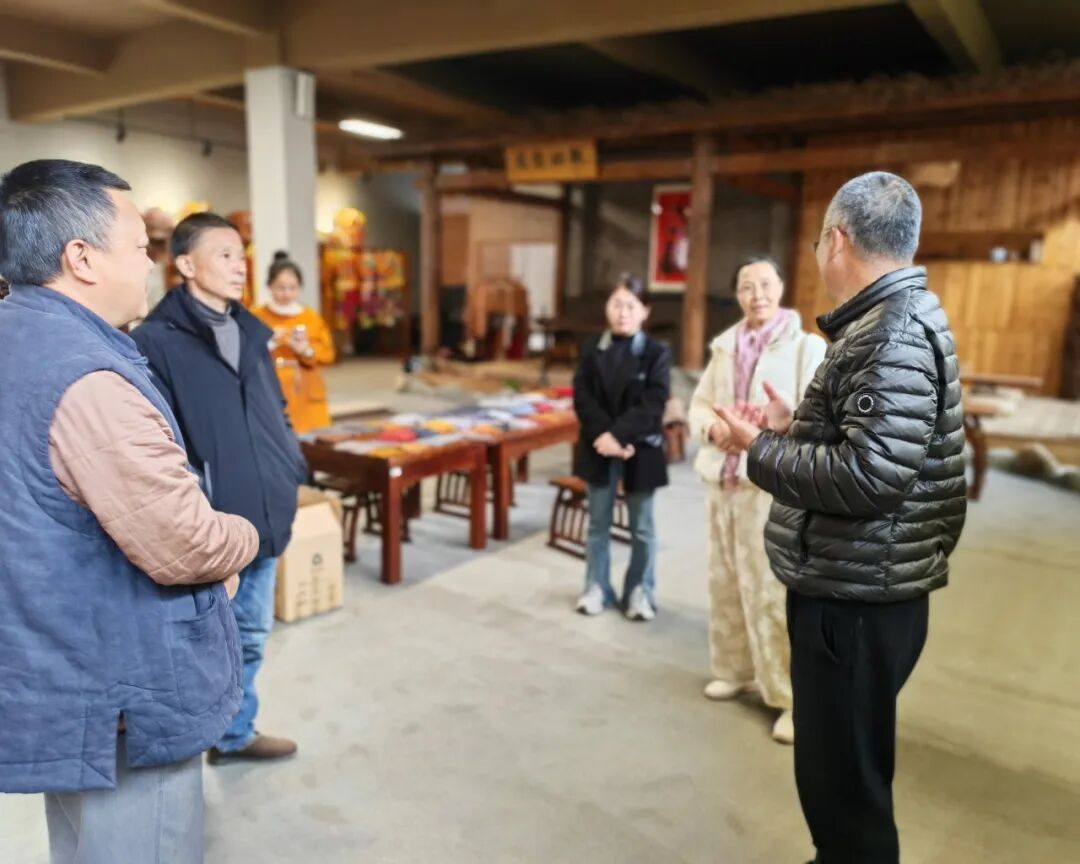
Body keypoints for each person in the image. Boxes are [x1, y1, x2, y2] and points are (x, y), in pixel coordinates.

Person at [0, 159, 259, 862]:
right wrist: (243, 535)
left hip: (60, 674)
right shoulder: (86, 378)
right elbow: (184, 543)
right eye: (140, 246)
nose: (150, 264)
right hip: (122, 687)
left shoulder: (19, 333)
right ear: (81, 258)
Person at [716, 172, 967, 864]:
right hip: (863, 580)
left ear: (837, 240)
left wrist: (757, 446)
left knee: (845, 787)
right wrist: (792, 427)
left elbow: (870, 476)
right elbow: (875, 450)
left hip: (856, 600)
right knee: (841, 774)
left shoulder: (890, 334)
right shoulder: (892, 319)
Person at [133, 212, 308, 765]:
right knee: (204, 643)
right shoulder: (154, 341)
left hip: (266, 508)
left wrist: (290, 464)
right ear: (186, 265)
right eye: (225, 255)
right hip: (211, 525)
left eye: (241, 255)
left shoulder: (252, 332)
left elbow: (276, 410)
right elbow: (158, 442)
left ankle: (233, 736)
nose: (240, 266)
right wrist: (199, 505)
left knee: (252, 633)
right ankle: (192, 746)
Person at [688, 255, 826, 745]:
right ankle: (734, 669)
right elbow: (700, 404)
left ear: (781, 287)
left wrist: (772, 427)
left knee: (771, 592)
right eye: (747, 286)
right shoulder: (725, 347)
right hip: (721, 481)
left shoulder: (806, 346)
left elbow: (819, 414)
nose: (757, 294)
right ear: (737, 294)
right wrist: (713, 429)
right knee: (724, 580)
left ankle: (791, 698)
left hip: (769, 486)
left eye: (766, 284)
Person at [573, 274, 672, 621]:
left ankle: (640, 591)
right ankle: (596, 587)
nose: (623, 312)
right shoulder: (591, 349)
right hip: (598, 446)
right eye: (617, 304)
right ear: (607, 308)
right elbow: (582, 397)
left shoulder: (657, 352)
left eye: (631, 305)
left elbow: (654, 401)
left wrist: (618, 437)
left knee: (642, 528)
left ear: (645, 311)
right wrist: (606, 437)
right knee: (597, 524)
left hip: (640, 447)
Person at [252, 251, 336, 434]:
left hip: (306, 390)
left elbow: (328, 354)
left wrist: (306, 350)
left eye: (292, 288)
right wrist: (270, 342)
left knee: (311, 442)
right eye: (280, 288)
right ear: (269, 286)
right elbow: (244, 351)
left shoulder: (310, 317)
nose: (287, 293)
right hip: (270, 389)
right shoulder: (256, 316)